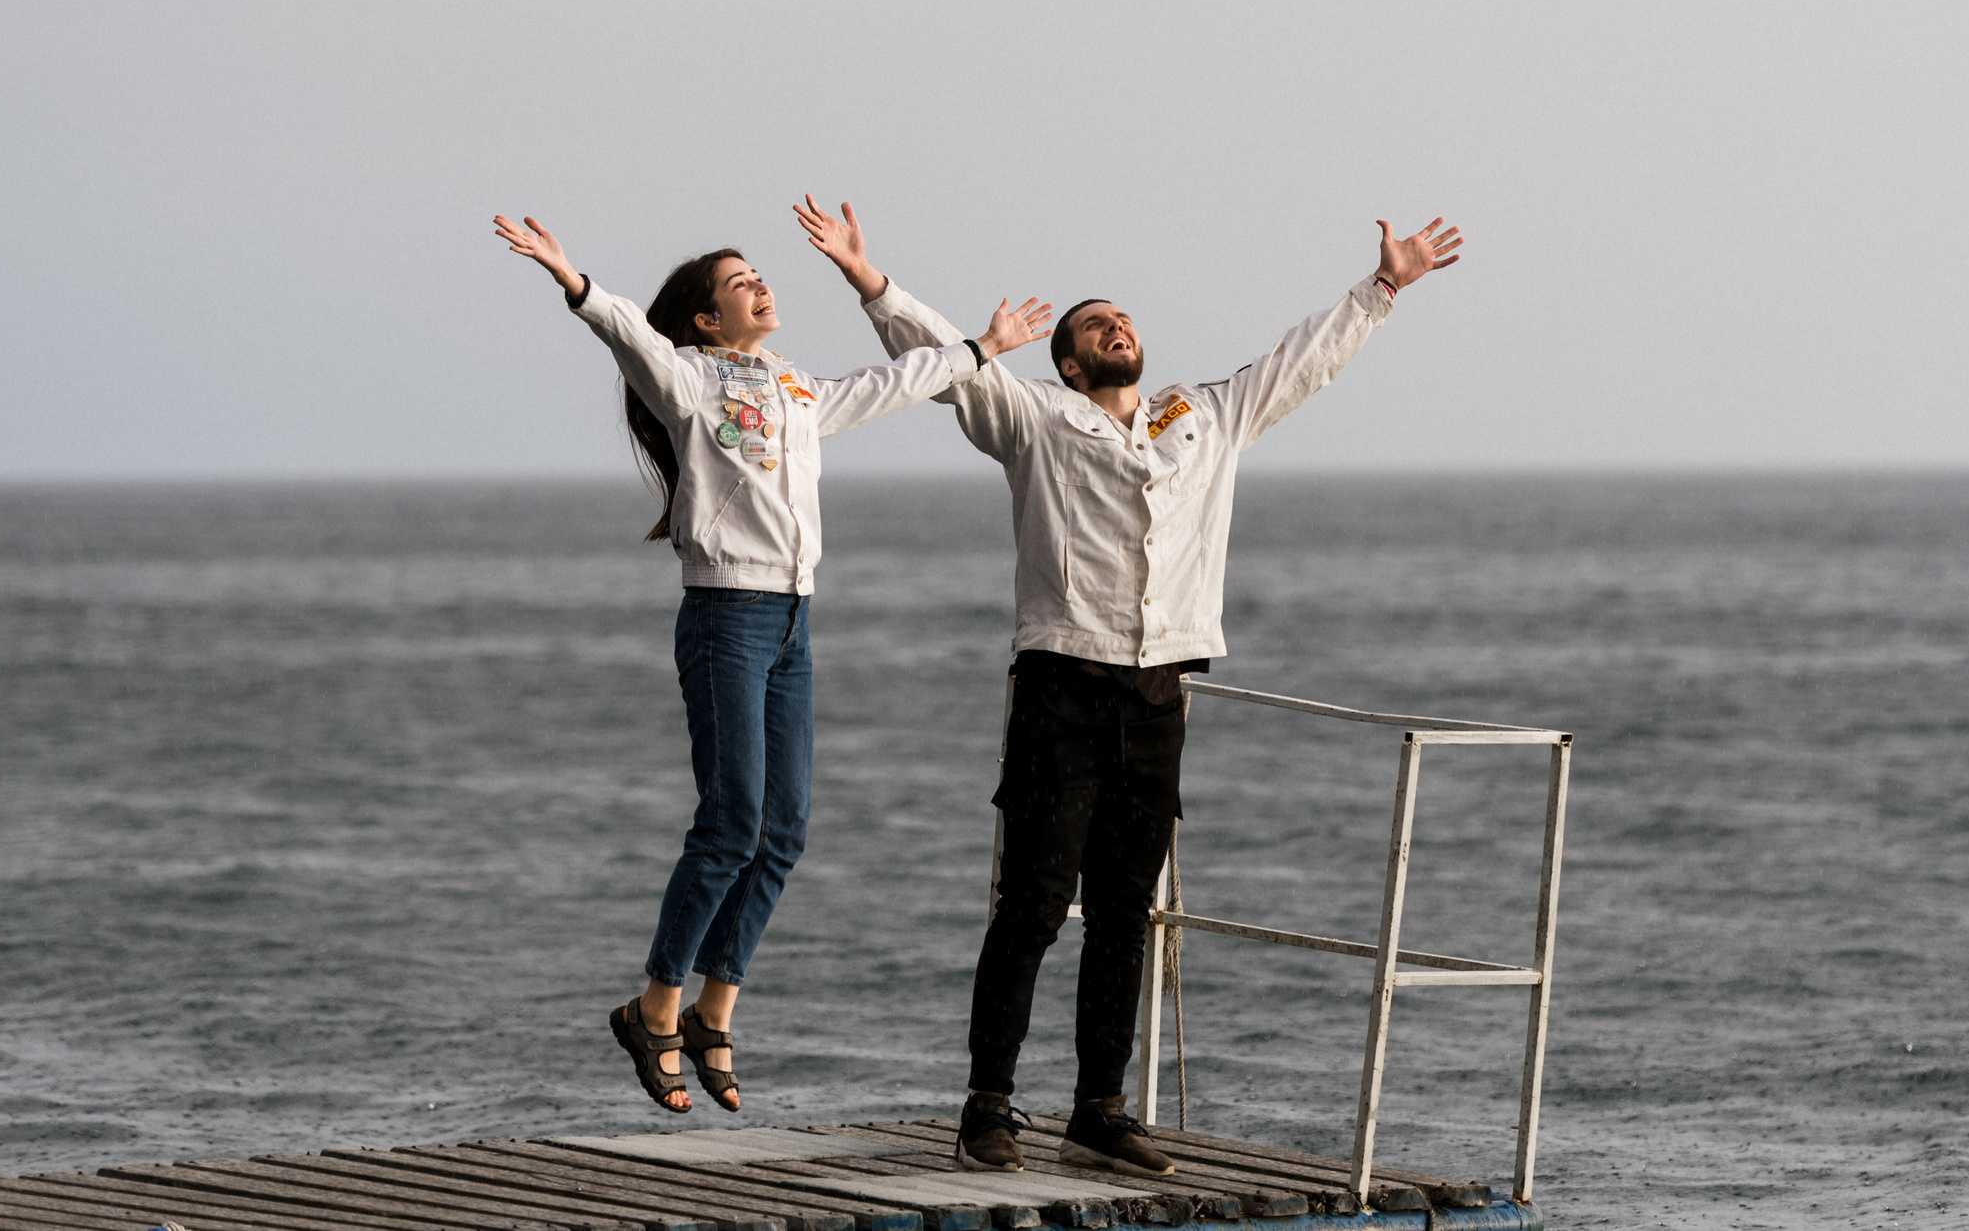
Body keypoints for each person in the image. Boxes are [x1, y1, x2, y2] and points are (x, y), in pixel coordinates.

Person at [794, 195, 1464, 1175]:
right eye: (1093, 324)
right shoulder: (1036, 416)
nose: (1117, 325)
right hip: (1061, 683)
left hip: (1159, 694)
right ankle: (988, 1102)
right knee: (1031, 902)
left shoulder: (1203, 414)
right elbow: (947, 358)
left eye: (1124, 317)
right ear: (1068, 361)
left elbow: (1299, 360)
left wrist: (1382, 288)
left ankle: (1099, 1105)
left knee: (1124, 909)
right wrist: (870, 280)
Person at [496, 212, 1052, 1116]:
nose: (759, 284)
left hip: (794, 620)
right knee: (730, 823)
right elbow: (631, 333)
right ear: (708, 321)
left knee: (784, 828)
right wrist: (576, 281)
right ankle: (656, 1005)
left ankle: (717, 1007)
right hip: (727, 617)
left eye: (759, 273)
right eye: (738, 281)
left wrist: (983, 346)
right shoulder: (691, 380)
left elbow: (892, 381)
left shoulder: (794, 386)